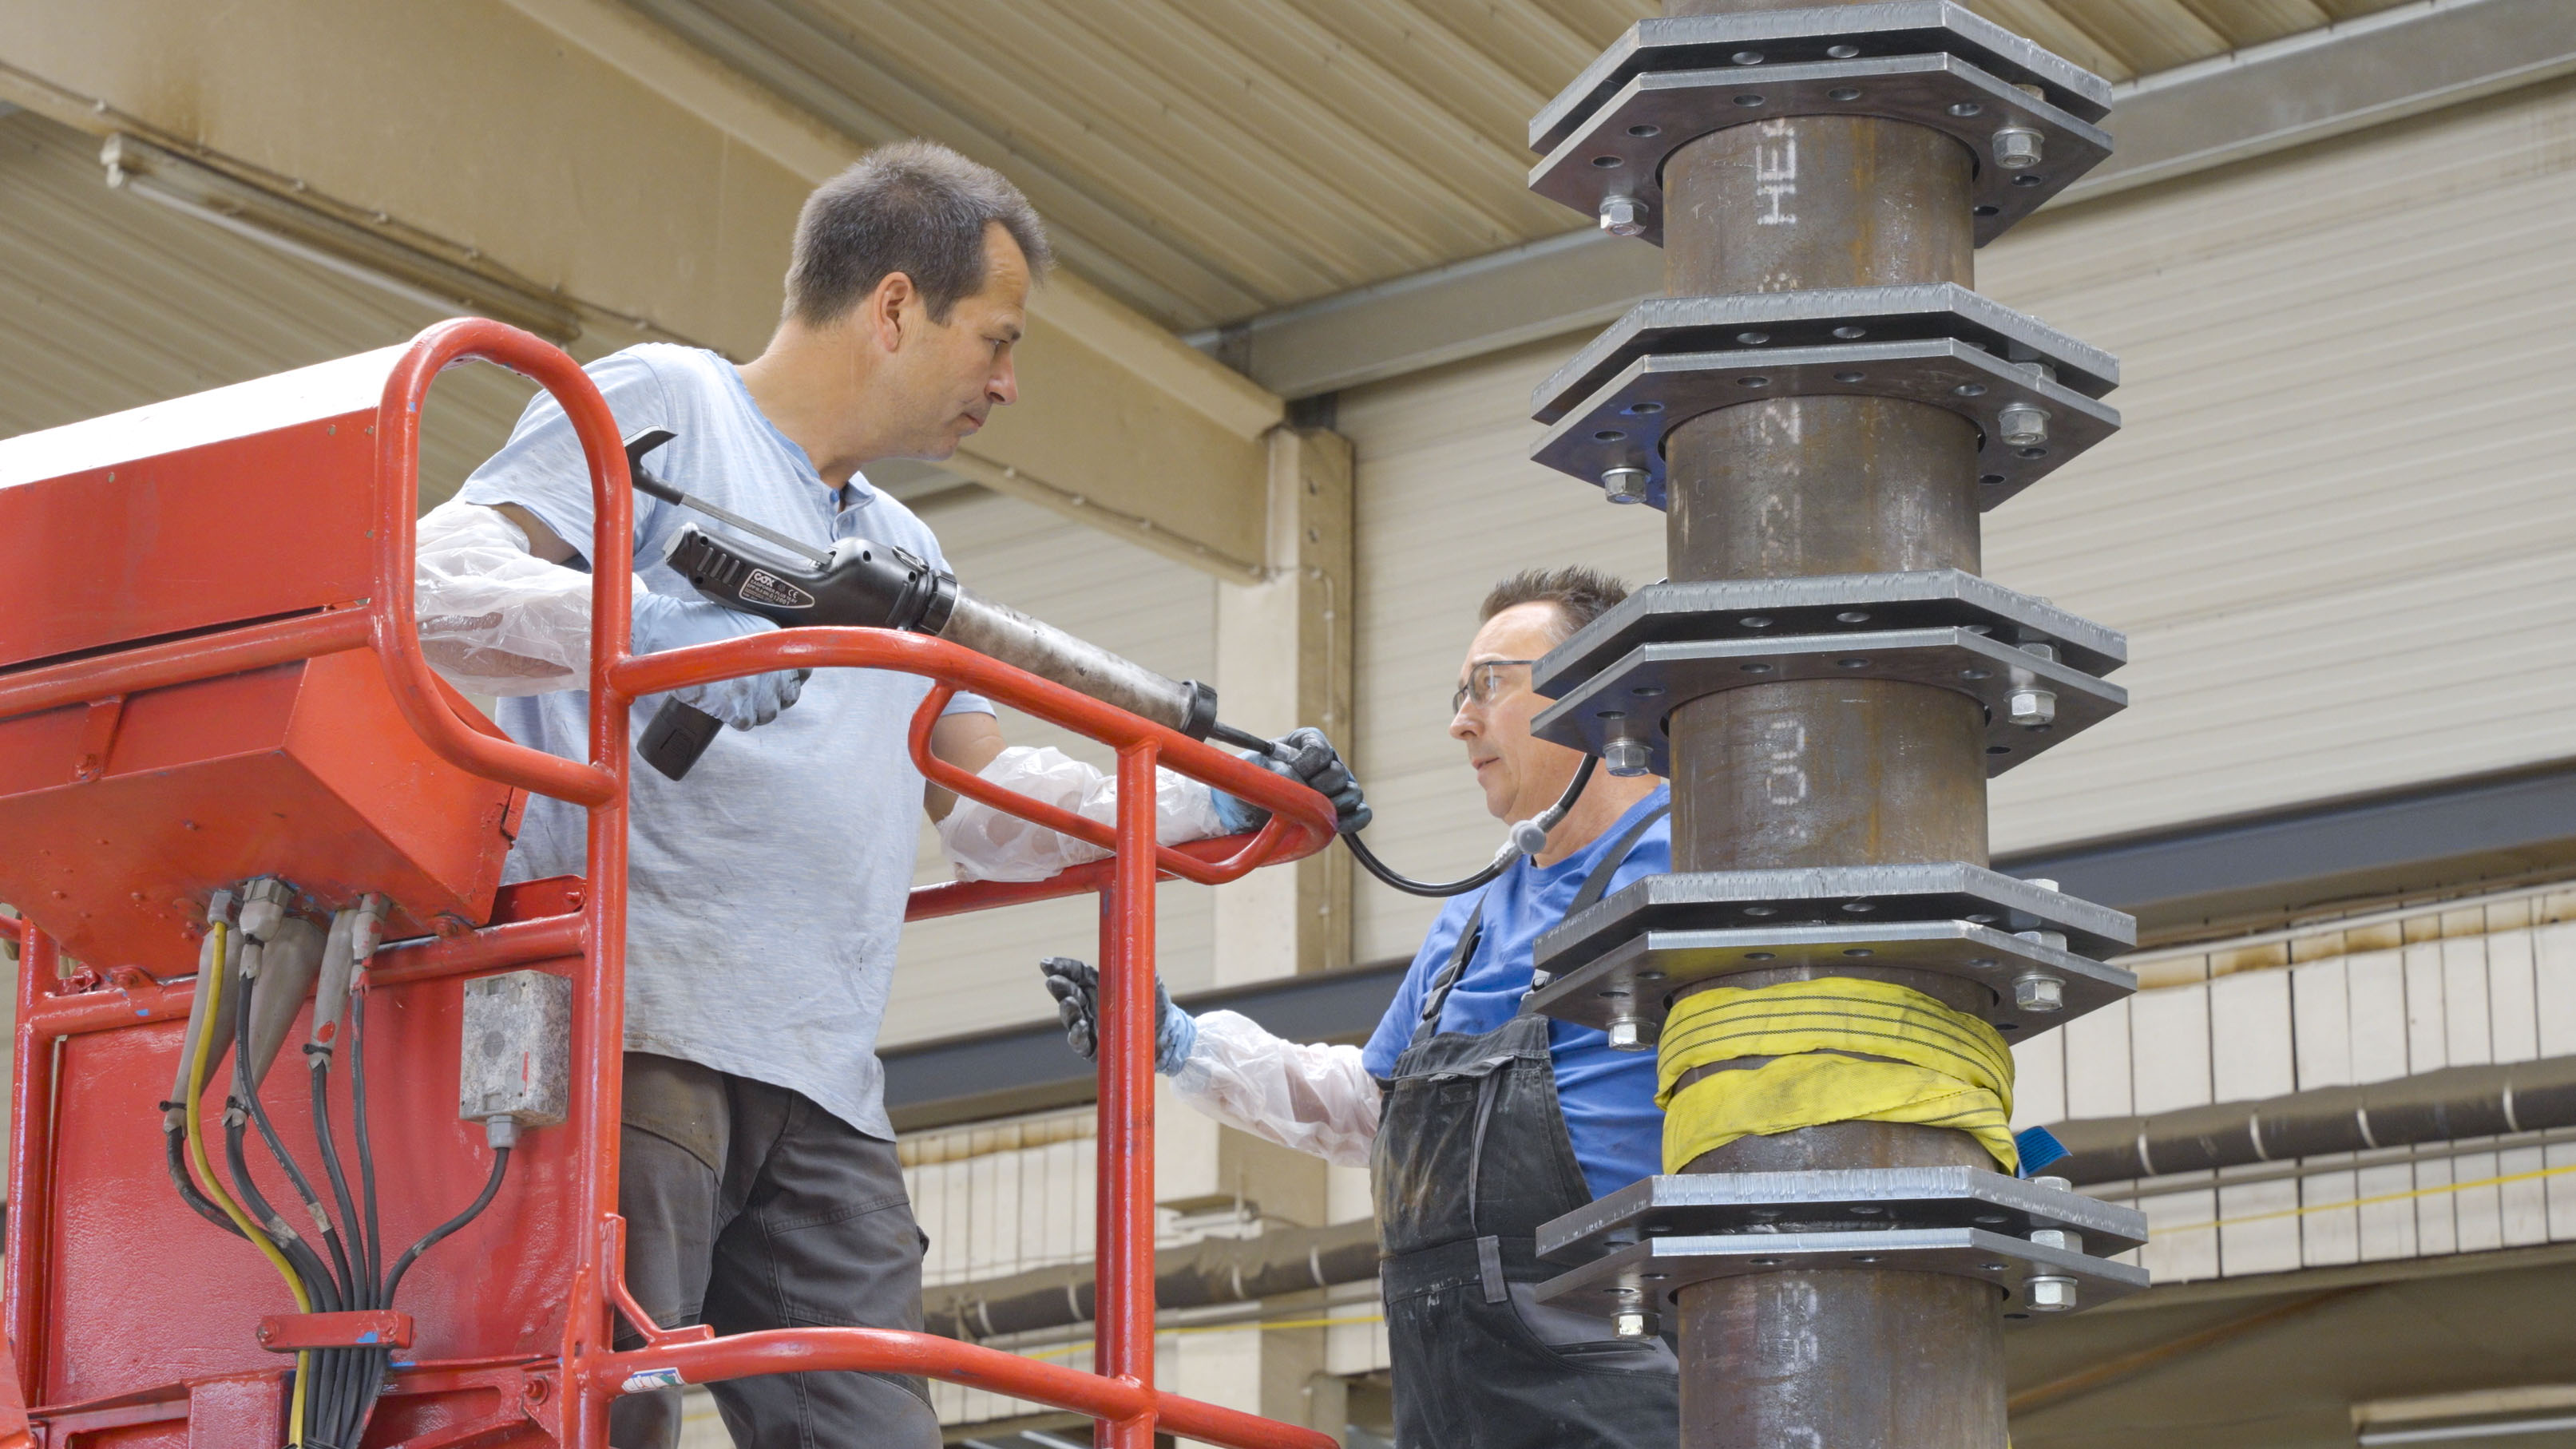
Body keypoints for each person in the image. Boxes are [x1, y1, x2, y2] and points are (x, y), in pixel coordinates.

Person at [410, 141, 1362, 1449]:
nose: (1007, 383)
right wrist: (656, 634)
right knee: (597, 1416)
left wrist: (1211, 800)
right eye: (997, 340)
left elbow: (978, 802)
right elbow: (436, 581)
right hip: (633, 1031)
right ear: (897, 307)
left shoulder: (904, 550)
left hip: (820, 1080)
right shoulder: (666, 405)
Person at [1038, 567, 1681, 1449]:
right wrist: (1178, 1043)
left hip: (1627, 1381)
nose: (1460, 721)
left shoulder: (1691, 859)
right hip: (1452, 1398)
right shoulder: (1470, 918)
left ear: (1598, 688)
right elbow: (1379, 1113)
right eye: (1458, 695)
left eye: (1489, 685)